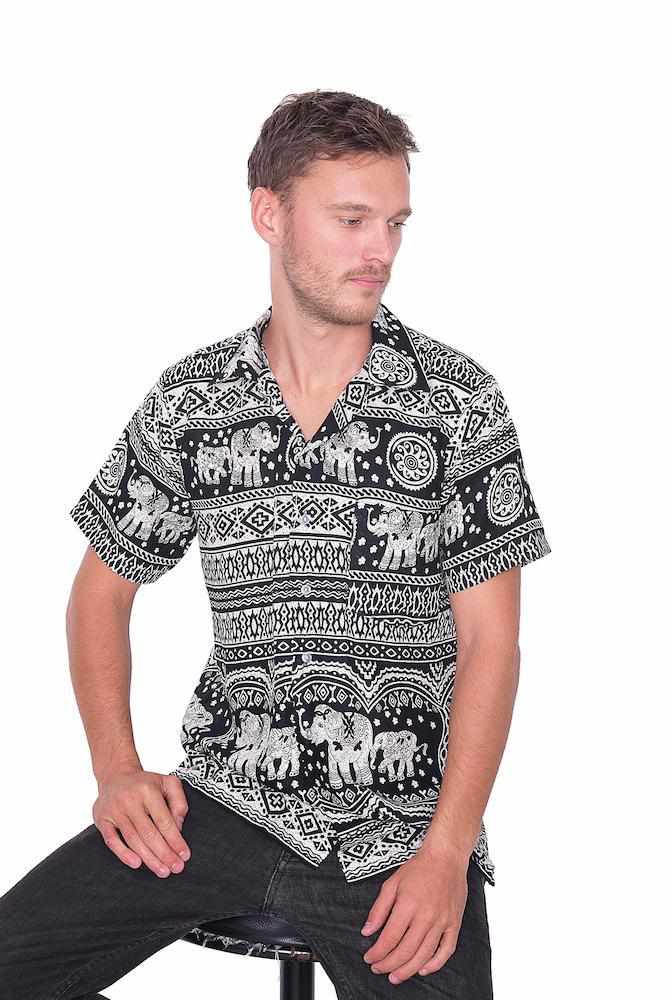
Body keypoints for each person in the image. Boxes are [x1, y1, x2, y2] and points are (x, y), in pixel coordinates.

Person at [0, 89, 551, 999]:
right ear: (269, 214)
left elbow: (493, 642)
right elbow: (101, 589)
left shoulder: (458, 403)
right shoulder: (194, 400)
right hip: (223, 801)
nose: (380, 251)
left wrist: (447, 852)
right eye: (351, 220)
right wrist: (117, 771)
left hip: (396, 829)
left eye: (395, 224)